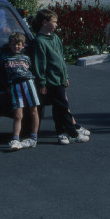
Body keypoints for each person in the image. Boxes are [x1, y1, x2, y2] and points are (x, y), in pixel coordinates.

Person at [29, 8, 90, 144]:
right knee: (63, 107)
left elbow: (61, 60)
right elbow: (40, 64)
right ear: (45, 22)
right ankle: (73, 133)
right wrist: (43, 83)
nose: (57, 24)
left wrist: (65, 76)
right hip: (51, 81)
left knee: (58, 108)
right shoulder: (39, 41)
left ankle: (61, 132)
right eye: (54, 21)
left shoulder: (55, 38)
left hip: (59, 79)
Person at [2, 31, 41, 151]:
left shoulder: (26, 58)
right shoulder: (6, 58)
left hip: (28, 83)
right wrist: (7, 86)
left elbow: (33, 70)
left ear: (23, 46)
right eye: (14, 44)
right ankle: (15, 139)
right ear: (10, 45)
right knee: (18, 114)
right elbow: (3, 75)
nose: (16, 46)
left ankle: (33, 137)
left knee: (33, 111)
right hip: (15, 86)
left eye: (19, 44)